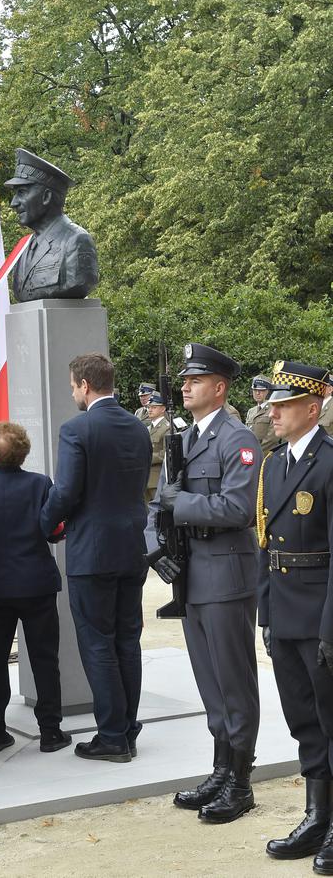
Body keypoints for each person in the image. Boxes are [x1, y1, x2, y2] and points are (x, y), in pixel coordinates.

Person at [152, 343, 261, 823]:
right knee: (209, 681)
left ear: (219, 387)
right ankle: (221, 768)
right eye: (184, 380)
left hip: (226, 573)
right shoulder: (185, 439)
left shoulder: (238, 440)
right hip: (192, 575)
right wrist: (155, 547)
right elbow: (158, 504)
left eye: (195, 380)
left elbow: (239, 509)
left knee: (234, 682)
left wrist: (182, 505)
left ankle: (241, 780)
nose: (185, 386)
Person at [40, 354, 151, 762]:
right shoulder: (138, 427)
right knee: (127, 640)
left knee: (98, 643)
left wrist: (44, 524)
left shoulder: (77, 428)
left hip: (92, 550)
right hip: (131, 545)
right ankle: (128, 729)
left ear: (85, 384)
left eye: (72, 385)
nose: (72, 392)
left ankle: (112, 736)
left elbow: (65, 491)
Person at [256, 362, 333, 870]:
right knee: (303, 719)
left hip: (321, 612)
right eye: (272, 405)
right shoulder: (274, 464)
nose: (273, 412)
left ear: (312, 407)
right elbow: (265, 543)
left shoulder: (329, 462)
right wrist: (265, 613)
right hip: (284, 609)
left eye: (283, 405)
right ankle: (317, 816)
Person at [0, 422, 70, 755]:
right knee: (44, 657)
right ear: (24, 451)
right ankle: (51, 731)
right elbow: (54, 530)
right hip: (35, 582)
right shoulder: (41, 485)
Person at [6, 148, 99, 302]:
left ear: (46, 197)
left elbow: (80, 282)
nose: (13, 203)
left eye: (22, 192)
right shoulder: (23, 250)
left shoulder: (76, 241)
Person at [246, 375, 279, 455]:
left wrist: (255, 454)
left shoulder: (274, 410)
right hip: (249, 456)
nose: (257, 393)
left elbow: (272, 439)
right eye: (255, 390)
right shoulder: (251, 411)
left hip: (266, 456)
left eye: (261, 390)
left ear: (268, 391)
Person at [146, 392, 170, 504]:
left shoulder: (167, 428)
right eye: (149, 407)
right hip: (145, 477)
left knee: (157, 511)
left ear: (163, 409)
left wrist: (147, 457)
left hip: (157, 478)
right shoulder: (147, 428)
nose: (150, 410)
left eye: (154, 407)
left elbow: (166, 453)